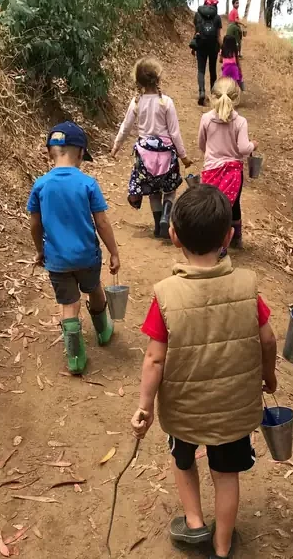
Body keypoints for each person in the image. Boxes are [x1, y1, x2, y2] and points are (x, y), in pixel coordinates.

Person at [131, 185, 277, 559]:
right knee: (227, 476)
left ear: (174, 235)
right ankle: (223, 546)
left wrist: (145, 405)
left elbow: (154, 359)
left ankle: (195, 525)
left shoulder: (166, 295)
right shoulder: (248, 287)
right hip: (234, 410)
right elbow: (267, 339)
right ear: (228, 236)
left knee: (184, 462)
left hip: (184, 410)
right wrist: (269, 375)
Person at [27, 122, 120, 375]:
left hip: (57, 259)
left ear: (50, 153)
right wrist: (113, 251)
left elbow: (35, 224)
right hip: (87, 256)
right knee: (94, 289)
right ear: (80, 153)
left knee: (69, 304)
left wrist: (40, 250)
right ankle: (102, 330)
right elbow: (101, 221)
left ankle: (76, 357)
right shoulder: (87, 183)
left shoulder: (41, 185)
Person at [111, 58, 191, 239]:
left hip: (144, 154)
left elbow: (125, 127)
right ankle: (166, 216)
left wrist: (116, 146)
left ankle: (157, 225)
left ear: (138, 81)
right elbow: (175, 133)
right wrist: (183, 156)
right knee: (169, 189)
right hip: (166, 153)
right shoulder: (166, 102)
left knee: (153, 190)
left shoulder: (137, 102)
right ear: (158, 78)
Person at [199, 78, 257, 251]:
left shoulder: (206, 119)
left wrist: (210, 154)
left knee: (211, 207)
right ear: (236, 97)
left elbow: (201, 144)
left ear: (213, 96)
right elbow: (244, 149)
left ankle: (214, 242)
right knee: (232, 206)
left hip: (211, 170)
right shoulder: (240, 122)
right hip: (233, 173)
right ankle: (235, 238)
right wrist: (254, 144)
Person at [193, 0, 223, 106]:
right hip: (213, 46)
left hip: (200, 44)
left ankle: (201, 92)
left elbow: (196, 31)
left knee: (201, 70)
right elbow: (219, 36)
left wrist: (194, 46)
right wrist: (223, 49)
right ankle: (214, 93)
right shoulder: (217, 17)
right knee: (212, 70)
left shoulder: (198, 14)